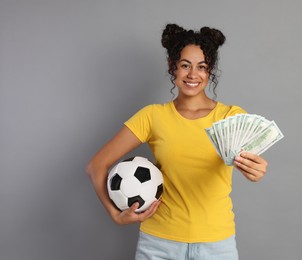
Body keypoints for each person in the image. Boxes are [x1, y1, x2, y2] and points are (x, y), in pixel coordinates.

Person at [86, 23, 268, 260]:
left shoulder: (231, 117)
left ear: (210, 71)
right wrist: (115, 214)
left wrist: (258, 170)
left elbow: (254, 162)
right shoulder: (152, 116)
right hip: (159, 245)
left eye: (201, 67)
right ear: (173, 67)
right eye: (185, 65)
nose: (193, 74)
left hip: (217, 246)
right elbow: (96, 166)